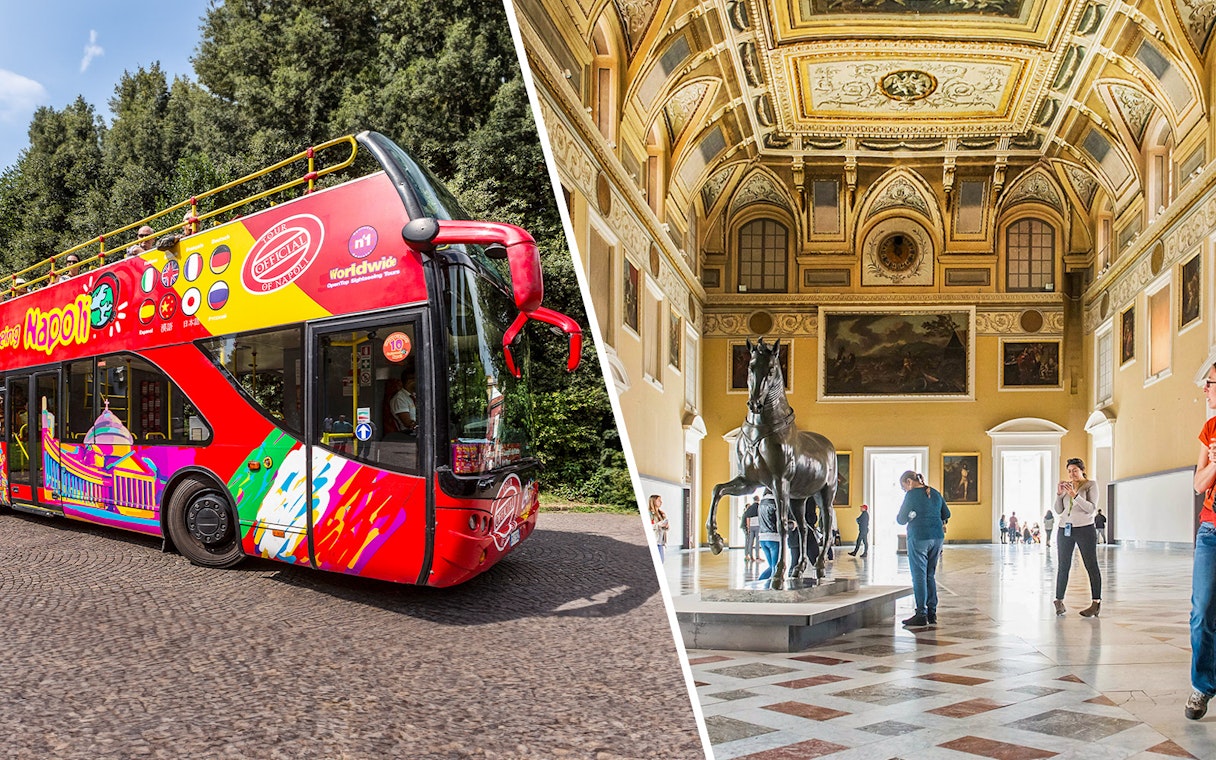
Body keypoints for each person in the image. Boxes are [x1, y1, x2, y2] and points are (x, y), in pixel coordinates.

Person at [1186, 362, 1216, 719]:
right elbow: (1198, 484)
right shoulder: (1209, 428)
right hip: (1211, 529)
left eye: (1208, 383)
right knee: (1202, 611)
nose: (1205, 390)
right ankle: (1202, 686)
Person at [897, 471, 950, 627]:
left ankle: (921, 613)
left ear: (909, 482)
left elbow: (900, 519)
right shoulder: (934, 492)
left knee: (919, 575)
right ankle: (932, 612)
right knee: (930, 574)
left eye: (903, 487)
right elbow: (947, 513)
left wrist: (911, 516)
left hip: (919, 536)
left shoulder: (912, 495)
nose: (905, 490)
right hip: (937, 537)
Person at [1052, 457, 1101, 617]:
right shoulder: (1068, 486)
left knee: (1090, 564)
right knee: (1063, 565)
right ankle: (1059, 601)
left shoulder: (1090, 485)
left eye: (1074, 470)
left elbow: (1091, 509)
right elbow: (1059, 510)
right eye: (1069, 471)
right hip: (1065, 529)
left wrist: (1075, 495)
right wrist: (1059, 495)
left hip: (1085, 529)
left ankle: (1096, 603)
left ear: (1082, 470)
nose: (1071, 473)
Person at [756, 491, 780, 582]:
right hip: (773, 538)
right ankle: (773, 588)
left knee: (771, 566)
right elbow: (779, 521)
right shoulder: (776, 503)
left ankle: (759, 582)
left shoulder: (761, 503)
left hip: (762, 537)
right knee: (775, 567)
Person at [648, 495, 669, 563]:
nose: (661, 502)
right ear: (653, 501)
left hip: (661, 541)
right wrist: (658, 525)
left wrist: (666, 526)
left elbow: (664, 528)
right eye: (659, 500)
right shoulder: (650, 513)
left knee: (661, 561)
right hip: (655, 540)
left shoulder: (662, 514)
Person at [741, 495, 760, 561]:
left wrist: (748, 527)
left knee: (750, 542)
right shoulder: (759, 507)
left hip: (751, 526)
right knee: (757, 542)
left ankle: (751, 556)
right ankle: (757, 557)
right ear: (758, 499)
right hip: (758, 526)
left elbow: (748, 518)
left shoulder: (750, 508)